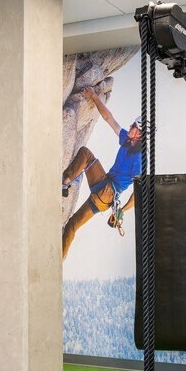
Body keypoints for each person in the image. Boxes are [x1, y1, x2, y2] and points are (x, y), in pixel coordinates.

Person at [61, 87, 143, 259]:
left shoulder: (139, 160)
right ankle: (56, 264)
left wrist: (122, 211)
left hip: (106, 189)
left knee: (85, 154)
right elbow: (109, 118)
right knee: (72, 226)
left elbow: (139, 193)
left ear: (140, 134)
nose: (130, 127)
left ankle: (64, 182)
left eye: (134, 126)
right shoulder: (127, 142)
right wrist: (121, 211)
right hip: (105, 200)